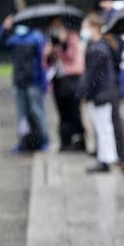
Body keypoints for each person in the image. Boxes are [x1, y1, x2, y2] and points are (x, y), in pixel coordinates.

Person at [0, 15, 50, 152]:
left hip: (34, 82)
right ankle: (23, 142)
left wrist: (43, 84)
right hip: (19, 83)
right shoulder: (14, 39)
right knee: (21, 115)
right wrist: (4, 28)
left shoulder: (37, 38)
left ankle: (44, 141)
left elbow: (42, 63)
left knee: (38, 113)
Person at [78, 13, 120, 173]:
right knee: (104, 127)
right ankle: (106, 157)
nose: (83, 30)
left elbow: (91, 76)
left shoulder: (97, 49)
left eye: (85, 26)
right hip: (104, 93)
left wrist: (85, 94)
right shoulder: (101, 46)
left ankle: (106, 160)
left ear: (94, 27)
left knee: (103, 128)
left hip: (100, 94)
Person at [45, 18, 86, 152]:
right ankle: (65, 141)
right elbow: (46, 62)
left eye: (58, 27)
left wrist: (63, 44)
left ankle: (79, 140)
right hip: (58, 81)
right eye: (53, 27)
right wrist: (50, 49)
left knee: (74, 111)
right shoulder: (52, 40)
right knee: (62, 113)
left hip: (72, 79)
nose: (56, 30)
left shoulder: (72, 38)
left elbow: (71, 56)